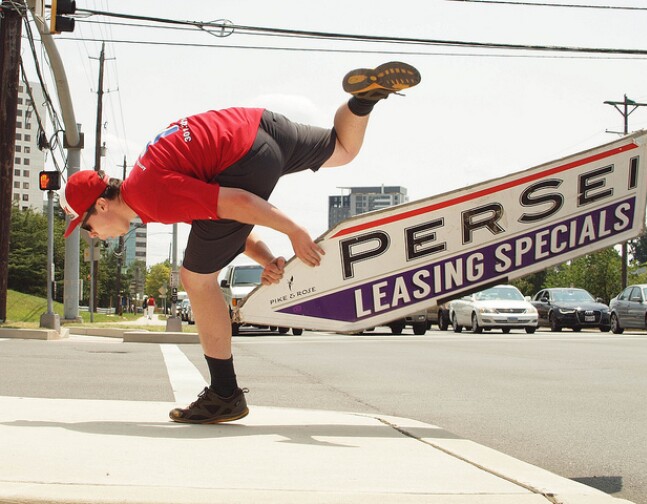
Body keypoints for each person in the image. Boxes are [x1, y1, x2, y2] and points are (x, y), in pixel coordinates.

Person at [60, 61, 421, 424]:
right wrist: (266, 259)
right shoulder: (148, 180)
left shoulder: (150, 195)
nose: (92, 236)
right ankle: (363, 100)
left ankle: (224, 393)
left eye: (87, 226)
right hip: (261, 126)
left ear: (102, 205)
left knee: (196, 280)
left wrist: (293, 230)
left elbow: (236, 204)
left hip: (243, 158)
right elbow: (229, 222)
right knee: (342, 149)